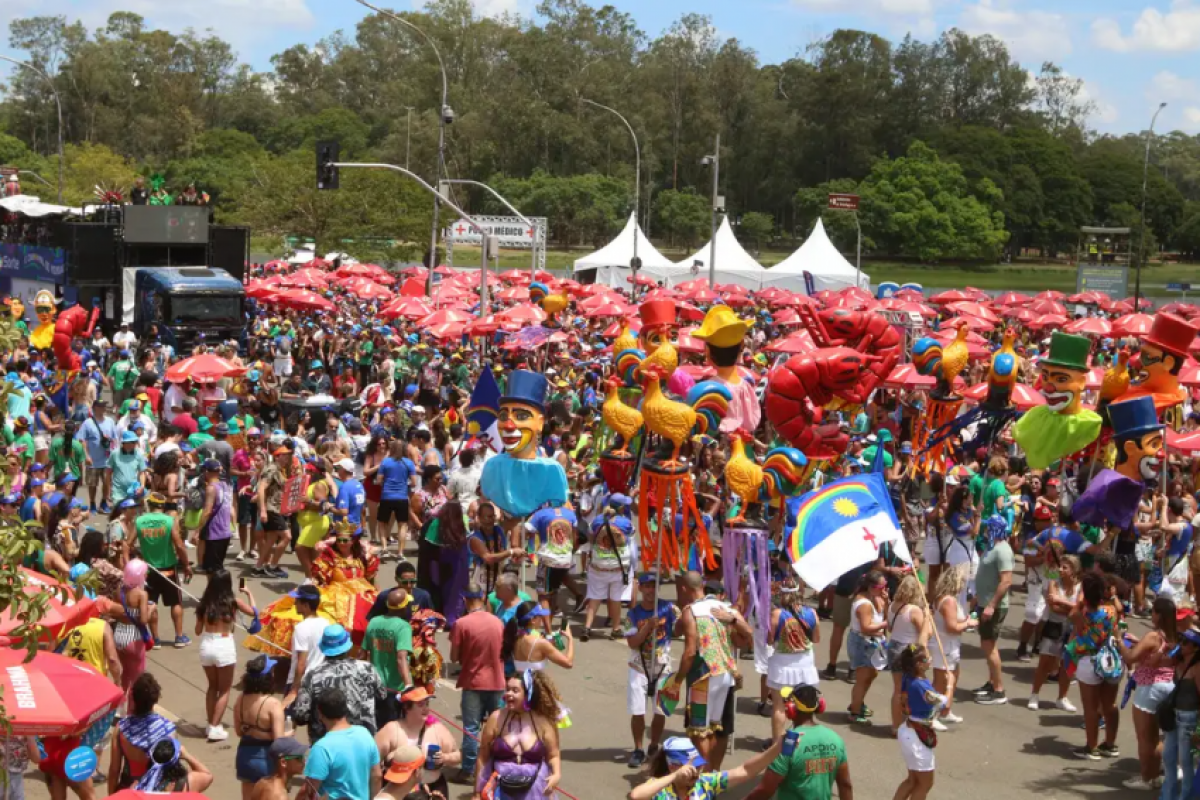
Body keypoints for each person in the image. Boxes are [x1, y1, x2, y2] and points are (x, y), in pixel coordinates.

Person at [674, 571, 752, 770]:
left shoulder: (691, 611)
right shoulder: (725, 608)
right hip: (726, 675)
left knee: (699, 731)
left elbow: (690, 652)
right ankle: (713, 773)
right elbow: (748, 633)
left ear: (684, 588)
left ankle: (703, 776)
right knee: (717, 728)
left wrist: (677, 680)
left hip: (703, 676)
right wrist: (733, 621)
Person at [745, 685, 853, 800]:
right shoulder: (835, 739)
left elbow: (765, 790)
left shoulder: (789, 743)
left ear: (791, 708)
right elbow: (845, 784)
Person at [1117, 596, 1177, 790]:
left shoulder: (1153, 636)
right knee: (1156, 737)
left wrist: (1119, 640)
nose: (1151, 615)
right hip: (1168, 686)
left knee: (1144, 737)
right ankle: (1156, 775)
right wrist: (1139, 641)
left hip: (1149, 688)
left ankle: (1146, 778)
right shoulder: (1176, 636)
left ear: (1158, 615)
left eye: (1153, 612)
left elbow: (1130, 657)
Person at [474, 671, 563, 799]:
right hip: (501, 789)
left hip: (535, 789)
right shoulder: (496, 718)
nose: (508, 694)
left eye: (515, 690)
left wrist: (556, 774)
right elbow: (483, 756)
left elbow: (553, 755)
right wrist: (477, 792)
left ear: (528, 695)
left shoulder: (543, 721)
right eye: (507, 689)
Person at [291, 624, 388, 742]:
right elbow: (382, 696)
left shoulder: (312, 676)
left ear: (323, 648)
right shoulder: (367, 669)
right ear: (347, 647)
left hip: (326, 743)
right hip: (363, 740)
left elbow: (301, 715)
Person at [451, 582, 505, 785]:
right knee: (498, 729)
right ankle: (498, 768)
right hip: (497, 682)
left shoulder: (461, 624)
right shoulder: (497, 622)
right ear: (483, 597)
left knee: (471, 729)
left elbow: (454, 657)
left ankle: (468, 770)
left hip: (473, 682)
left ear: (464, 599)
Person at [194, 568, 257, 742]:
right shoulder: (233, 602)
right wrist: (249, 593)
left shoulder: (204, 604)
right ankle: (215, 727)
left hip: (207, 645)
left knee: (212, 687)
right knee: (224, 689)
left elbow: (197, 631)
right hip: (224, 645)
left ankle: (210, 724)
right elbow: (254, 612)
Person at [1065, 571, 1121, 760]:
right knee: (1109, 705)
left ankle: (1092, 746)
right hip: (1110, 660)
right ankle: (1110, 744)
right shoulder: (1111, 611)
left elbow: (1072, 613)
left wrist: (1081, 600)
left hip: (1089, 661)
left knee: (1090, 707)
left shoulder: (1082, 613)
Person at [624, 572, 677, 768]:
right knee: (638, 710)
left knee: (660, 710)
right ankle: (638, 749)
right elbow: (632, 643)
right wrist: (647, 627)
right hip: (639, 666)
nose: (650, 590)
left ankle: (654, 746)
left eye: (654, 586)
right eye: (646, 586)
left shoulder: (669, 608)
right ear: (640, 588)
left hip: (663, 665)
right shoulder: (632, 614)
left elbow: (681, 627)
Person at [126, 492, 190, 647]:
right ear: (163, 505)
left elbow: (128, 544)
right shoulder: (169, 521)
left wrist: (133, 559)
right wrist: (186, 565)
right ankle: (179, 637)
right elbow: (179, 545)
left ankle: (155, 639)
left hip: (148, 570)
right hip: (169, 568)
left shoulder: (139, 521)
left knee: (150, 602)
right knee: (175, 602)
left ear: (150, 505)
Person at [630, 734, 782, 800]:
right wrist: (674, 777)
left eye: (698, 766)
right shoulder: (659, 789)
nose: (697, 772)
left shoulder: (705, 783)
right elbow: (636, 796)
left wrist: (778, 747)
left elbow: (745, 770)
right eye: (692, 767)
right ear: (673, 766)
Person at [375, 686, 460, 797]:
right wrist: (388, 761)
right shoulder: (392, 730)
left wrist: (445, 758)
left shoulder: (437, 730)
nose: (426, 709)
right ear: (407, 707)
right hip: (398, 791)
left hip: (433, 790)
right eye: (420, 705)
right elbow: (371, 761)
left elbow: (458, 756)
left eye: (427, 704)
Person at [297, 688, 382, 800]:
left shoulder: (322, 748)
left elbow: (310, 791)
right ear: (345, 708)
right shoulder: (365, 734)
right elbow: (377, 776)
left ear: (320, 713)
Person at [1027, 548, 1080, 712]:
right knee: (1045, 663)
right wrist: (1072, 608)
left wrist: (1061, 601)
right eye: (1060, 566)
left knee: (1067, 666)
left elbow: (1080, 608)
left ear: (1074, 570)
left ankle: (1062, 698)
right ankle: (1034, 695)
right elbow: (1054, 607)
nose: (1060, 570)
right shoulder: (1054, 583)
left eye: (1065, 567)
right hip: (1054, 626)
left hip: (1072, 630)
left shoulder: (1080, 587)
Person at [891, 645, 948, 800]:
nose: (930, 660)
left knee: (912, 781)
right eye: (928, 658)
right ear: (918, 664)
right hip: (916, 736)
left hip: (908, 731)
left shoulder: (909, 677)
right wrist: (949, 684)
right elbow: (944, 705)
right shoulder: (920, 685)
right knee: (924, 784)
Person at [107, 673, 177, 793]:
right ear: (155, 699)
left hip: (127, 789)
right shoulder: (167, 729)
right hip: (154, 791)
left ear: (133, 698)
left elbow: (114, 770)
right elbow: (170, 771)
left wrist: (112, 796)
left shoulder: (121, 727)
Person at [971, 519, 1013, 706]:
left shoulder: (1003, 551)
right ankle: (992, 683)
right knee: (988, 645)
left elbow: (1006, 581)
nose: (986, 529)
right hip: (984, 602)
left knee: (989, 646)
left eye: (989, 527)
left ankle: (999, 690)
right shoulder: (991, 547)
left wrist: (991, 605)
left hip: (993, 606)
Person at [232, 655, 285, 800]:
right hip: (265, 759)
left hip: (244, 756)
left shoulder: (240, 699)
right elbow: (279, 742)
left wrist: (253, 731)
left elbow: (238, 731)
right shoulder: (273, 704)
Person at [929, 565, 976, 728]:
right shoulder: (948, 601)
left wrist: (965, 621)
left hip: (950, 644)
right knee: (941, 681)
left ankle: (945, 711)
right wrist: (968, 623)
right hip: (945, 645)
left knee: (953, 676)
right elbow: (951, 627)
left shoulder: (946, 598)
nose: (964, 585)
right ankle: (931, 715)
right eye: (963, 581)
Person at [886, 574, 928, 734]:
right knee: (912, 687)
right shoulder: (914, 610)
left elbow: (890, 628)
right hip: (908, 650)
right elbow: (926, 634)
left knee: (897, 688)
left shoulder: (892, 606)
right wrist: (927, 618)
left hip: (893, 646)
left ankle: (896, 726)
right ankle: (910, 723)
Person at [1162, 626, 1200, 800]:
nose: (1182, 644)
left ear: (1195, 648)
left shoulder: (1197, 668)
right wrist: (1168, 649)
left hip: (1189, 718)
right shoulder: (1178, 661)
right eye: (1181, 640)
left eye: (1186, 642)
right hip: (1174, 714)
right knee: (1168, 756)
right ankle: (1167, 795)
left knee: (1186, 761)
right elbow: (1157, 662)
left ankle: (1185, 796)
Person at [846, 570, 888, 724]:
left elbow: (884, 614)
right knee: (862, 679)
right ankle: (855, 712)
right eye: (881, 587)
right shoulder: (864, 604)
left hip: (870, 642)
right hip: (863, 643)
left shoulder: (875, 598)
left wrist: (886, 601)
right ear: (871, 587)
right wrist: (884, 625)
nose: (884, 589)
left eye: (885, 585)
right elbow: (865, 628)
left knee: (871, 675)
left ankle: (858, 702)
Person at [283, 584, 328, 707]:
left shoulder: (301, 628)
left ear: (306, 605)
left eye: (297, 601)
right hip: (319, 681)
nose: (294, 603)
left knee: (287, 716)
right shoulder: (325, 624)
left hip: (301, 682)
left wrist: (294, 690)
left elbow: (301, 664)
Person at [363, 589, 415, 696]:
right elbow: (401, 658)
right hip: (396, 689)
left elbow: (362, 654)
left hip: (375, 685)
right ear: (404, 607)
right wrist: (408, 685)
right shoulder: (403, 627)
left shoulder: (373, 622)